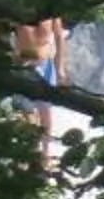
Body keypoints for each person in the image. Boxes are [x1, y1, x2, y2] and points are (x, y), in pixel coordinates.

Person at [9, 15, 64, 168]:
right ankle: (30, 152)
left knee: (45, 112)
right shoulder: (19, 8)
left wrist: (60, 68)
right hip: (23, 65)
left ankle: (45, 153)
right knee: (27, 112)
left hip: (46, 66)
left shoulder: (52, 11)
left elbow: (60, 39)